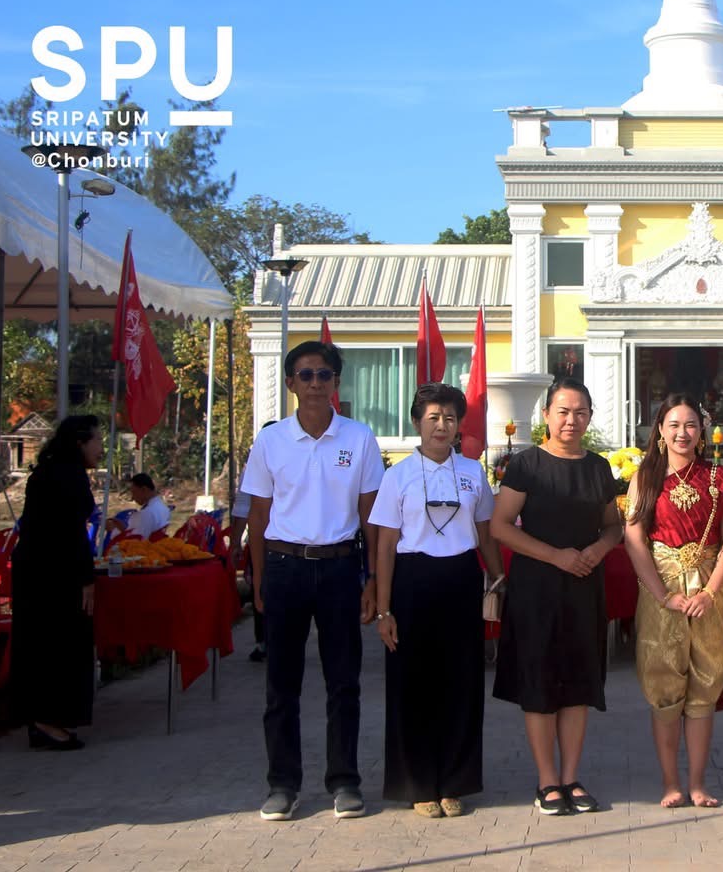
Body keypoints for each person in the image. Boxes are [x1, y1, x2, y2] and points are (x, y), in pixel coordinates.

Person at [242, 341, 384, 821]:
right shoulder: (271, 442)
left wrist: (373, 581)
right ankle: (282, 784)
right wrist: (260, 580)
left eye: (325, 375)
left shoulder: (359, 438)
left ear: (337, 383)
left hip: (342, 568)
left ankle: (344, 781)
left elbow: (372, 517)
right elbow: (258, 517)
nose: (316, 383)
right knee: (282, 685)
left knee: (344, 681)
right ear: (290, 385)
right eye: (306, 376)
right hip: (285, 568)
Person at [371, 382, 504, 818]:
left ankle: (455, 782)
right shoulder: (397, 476)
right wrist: (385, 609)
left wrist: (499, 578)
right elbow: (385, 546)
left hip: (461, 580)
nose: (442, 426)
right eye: (433, 418)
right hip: (412, 583)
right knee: (413, 685)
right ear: (417, 423)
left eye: (449, 418)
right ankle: (418, 783)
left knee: (461, 684)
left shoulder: (472, 473)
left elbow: (485, 533)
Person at [491, 377, 621, 816]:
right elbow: (501, 525)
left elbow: (613, 525)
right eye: (563, 411)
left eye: (580, 411)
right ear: (546, 415)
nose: (571, 419)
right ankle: (547, 780)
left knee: (578, 683)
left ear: (589, 416)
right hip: (537, 589)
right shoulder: (527, 464)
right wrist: (555, 556)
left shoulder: (598, 467)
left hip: (584, 586)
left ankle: (572, 777)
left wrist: (597, 551)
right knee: (541, 682)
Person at [622, 394, 723, 809]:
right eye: (673, 425)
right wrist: (661, 595)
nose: (682, 433)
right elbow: (634, 537)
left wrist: (710, 590)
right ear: (659, 430)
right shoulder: (645, 477)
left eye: (690, 424)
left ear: (701, 430)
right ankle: (671, 782)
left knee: (705, 681)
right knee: (664, 683)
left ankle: (699, 782)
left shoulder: (721, 479)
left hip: (708, 588)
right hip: (661, 588)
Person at [10, 414, 104, 750]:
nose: (101, 448)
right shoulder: (64, 474)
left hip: (43, 568)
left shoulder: (57, 470)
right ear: (79, 441)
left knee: (52, 644)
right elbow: (68, 534)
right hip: (50, 574)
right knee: (54, 644)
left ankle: (48, 719)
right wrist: (85, 579)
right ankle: (45, 721)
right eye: (96, 440)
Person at [229, 422, 278, 663]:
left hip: (289, 545)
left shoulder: (296, 462)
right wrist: (236, 541)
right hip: (261, 541)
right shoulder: (254, 468)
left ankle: (281, 640)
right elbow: (243, 506)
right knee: (261, 590)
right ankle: (264, 641)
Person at [104, 473, 170, 539]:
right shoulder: (162, 507)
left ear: (144, 490)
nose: (132, 497)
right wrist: (122, 528)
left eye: (134, 492)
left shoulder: (146, 514)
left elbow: (134, 540)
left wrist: (113, 530)